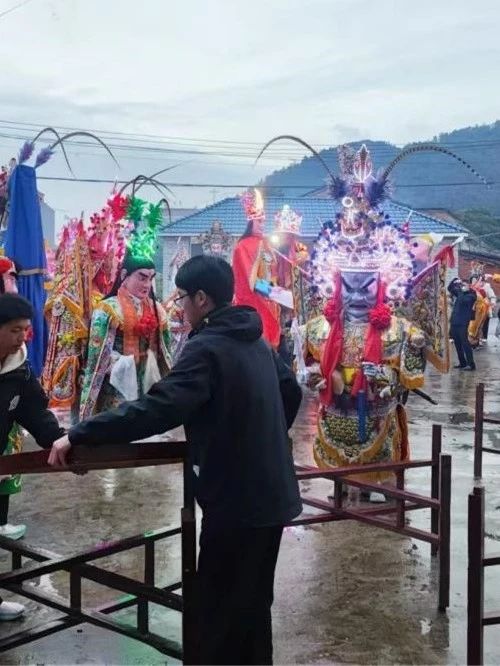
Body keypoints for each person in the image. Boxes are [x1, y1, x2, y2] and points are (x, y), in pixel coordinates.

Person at [48, 255, 303, 665]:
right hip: (273, 495)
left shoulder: (208, 346)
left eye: (182, 297)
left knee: (218, 609)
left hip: (236, 502)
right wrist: (263, 439)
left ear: (202, 298)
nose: (179, 306)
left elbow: (158, 409)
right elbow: (291, 391)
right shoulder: (254, 338)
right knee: (253, 605)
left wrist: (80, 433)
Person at [0, 293, 64, 620]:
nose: (21, 337)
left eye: (25, 330)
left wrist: (63, 443)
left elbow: (35, 412)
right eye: (14, 330)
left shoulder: (18, 369)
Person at [232, 189, 281, 349]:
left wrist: (275, 292)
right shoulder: (243, 247)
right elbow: (250, 282)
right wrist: (275, 293)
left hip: (269, 300)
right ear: (251, 222)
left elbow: (272, 273)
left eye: (263, 222)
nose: (262, 225)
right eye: (259, 222)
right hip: (252, 304)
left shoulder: (265, 244)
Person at [448, 278, 477, 370]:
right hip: (455, 321)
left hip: (463, 322)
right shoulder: (460, 292)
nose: (462, 287)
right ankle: (462, 363)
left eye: (464, 285)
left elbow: (463, 300)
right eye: (462, 285)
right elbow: (450, 288)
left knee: (465, 343)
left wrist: (461, 290)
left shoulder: (472, 295)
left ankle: (471, 364)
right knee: (457, 343)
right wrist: (454, 281)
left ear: (469, 286)